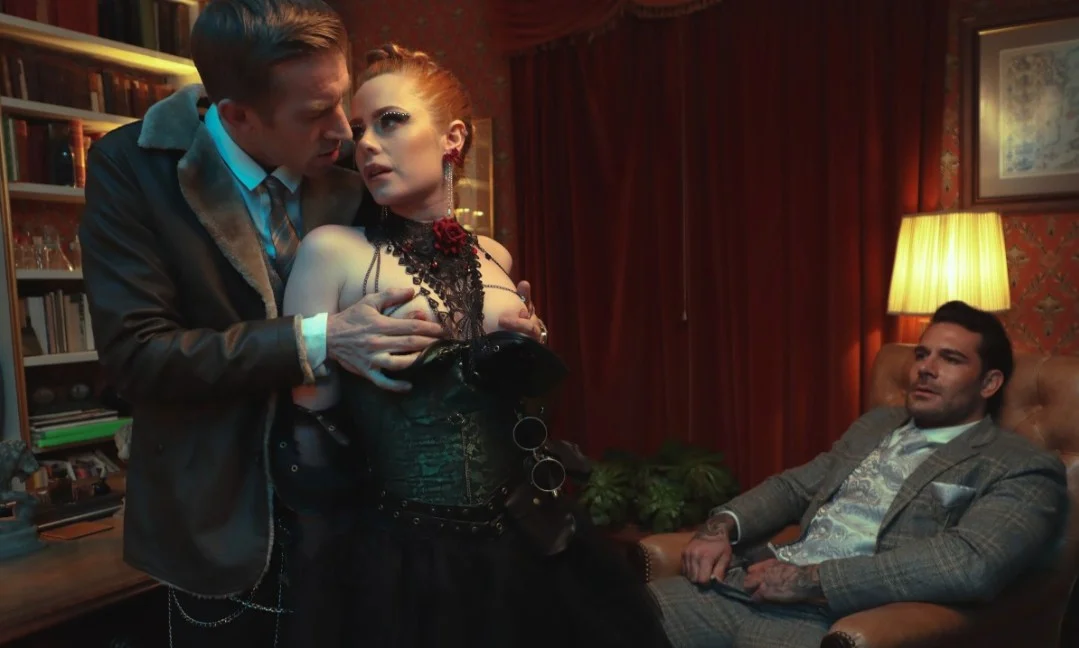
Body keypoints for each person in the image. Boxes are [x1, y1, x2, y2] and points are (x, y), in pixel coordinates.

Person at [74, 2, 523, 646]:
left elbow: (407, 271)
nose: (346, 131)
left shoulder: (347, 168)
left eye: (342, 101)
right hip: (221, 520)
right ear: (238, 116)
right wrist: (320, 338)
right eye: (317, 112)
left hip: (359, 518)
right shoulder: (132, 168)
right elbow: (136, 356)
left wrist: (490, 306)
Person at [280, 43, 672, 647]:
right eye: (359, 130)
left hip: (521, 548)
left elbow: (519, 411)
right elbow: (309, 429)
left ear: (453, 137)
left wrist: (531, 344)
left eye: (390, 120)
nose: (367, 145)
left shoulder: (496, 258)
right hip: (401, 564)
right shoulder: (331, 252)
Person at [648, 300, 1069, 648]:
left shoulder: (1021, 465)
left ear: (989, 383)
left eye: (950, 358)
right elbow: (794, 487)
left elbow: (970, 565)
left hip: (829, 616)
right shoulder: (877, 424)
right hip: (743, 587)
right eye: (921, 354)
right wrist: (720, 526)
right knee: (615, 613)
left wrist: (808, 581)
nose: (925, 368)